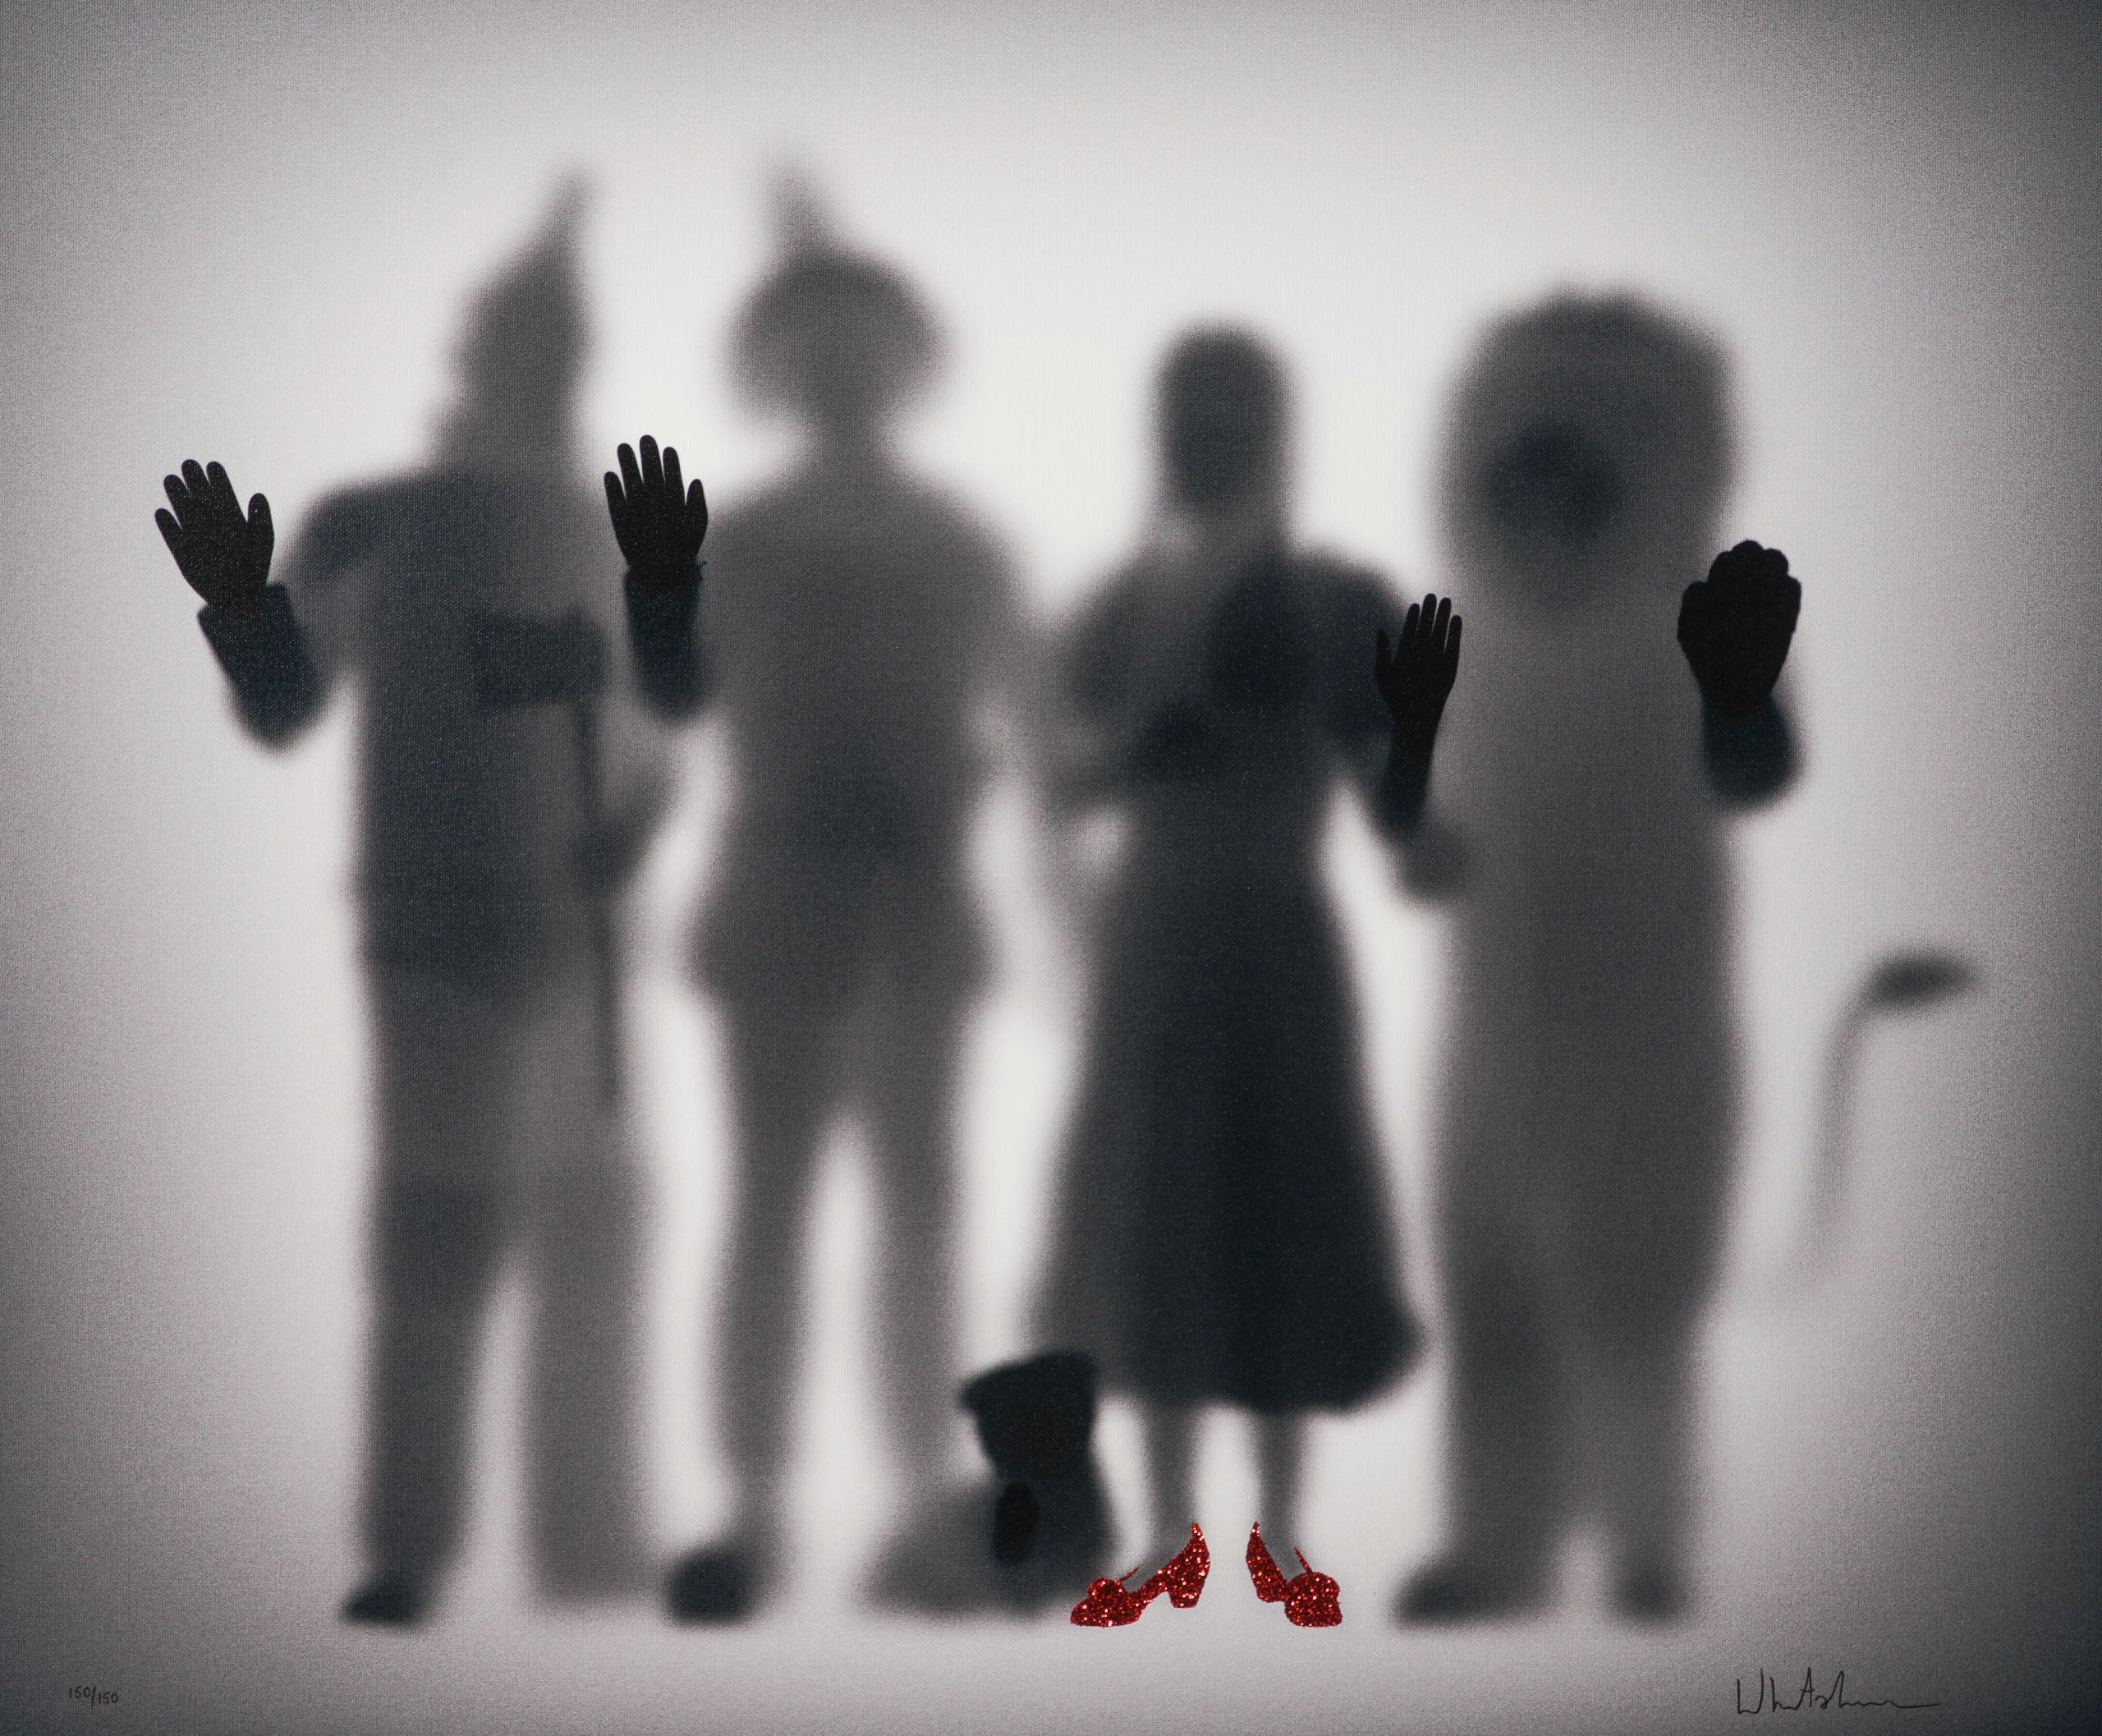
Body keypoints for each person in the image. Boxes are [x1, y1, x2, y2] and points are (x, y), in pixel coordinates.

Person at [153, 185, 669, 1627]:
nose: (541, 369)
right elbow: (285, 706)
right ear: (480, 354)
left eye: (559, 346)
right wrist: (244, 610)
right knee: (441, 1226)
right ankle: (412, 1543)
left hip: (576, 947)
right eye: (523, 341)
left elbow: (654, 741)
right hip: (434, 930)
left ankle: (583, 1539)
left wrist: (630, 836)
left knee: (586, 1234)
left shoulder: (606, 534)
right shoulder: (372, 523)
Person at [605, 191, 1037, 1622]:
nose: (840, 364)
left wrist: (1077, 898)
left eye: (861, 338)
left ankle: (919, 1498)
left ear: (902, 362)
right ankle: (756, 1502)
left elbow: (1037, 726)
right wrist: (622, 834)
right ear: (778, 369)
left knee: (917, 1213)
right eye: (813, 341)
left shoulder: (960, 542)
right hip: (782, 900)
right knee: (775, 1209)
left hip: (915, 910)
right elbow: (662, 717)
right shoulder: (736, 541)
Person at [1389, 292, 1799, 1624]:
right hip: (1504, 1008)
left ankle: (1643, 1536)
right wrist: (1413, 810)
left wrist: (1738, 691)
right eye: (1529, 482)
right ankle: (1502, 1545)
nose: (1554, 516)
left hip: (1649, 999)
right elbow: (1429, 853)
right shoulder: (1466, 646)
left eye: (1585, 480)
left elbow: (1754, 770)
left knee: (1637, 1276)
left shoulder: (1700, 620)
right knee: (1493, 1280)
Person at [1025, 326, 1457, 1585]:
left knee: (1277, 1218)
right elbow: (1056, 780)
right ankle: (1174, 1528)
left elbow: (1406, 831)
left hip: (1269, 943)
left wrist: (1415, 740)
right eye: (1188, 416)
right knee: (1160, 1226)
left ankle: (1276, 1526)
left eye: (1226, 416)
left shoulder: (1335, 600)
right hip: (1161, 943)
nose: (1204, 442)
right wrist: (1129, 760)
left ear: (1272, 434)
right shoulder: (1124, 601)